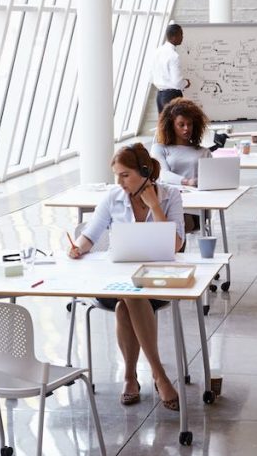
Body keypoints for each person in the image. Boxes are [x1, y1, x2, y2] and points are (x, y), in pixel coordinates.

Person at [67, 143, 184, 410]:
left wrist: (155, 205)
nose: (119, 182)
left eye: (125, 175)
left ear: (144, 172)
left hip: (155, 284)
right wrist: (78, 248)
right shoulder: (112, 198)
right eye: (117, 175)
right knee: (128, 296)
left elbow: (176, 245)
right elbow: (90, 236)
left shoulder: (170, 196)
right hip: (113, 283)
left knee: (126, 303)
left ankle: (131, 377)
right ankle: (159, 376)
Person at [150, 98, 211, 186]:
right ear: (171, 126)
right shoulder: (159, 148)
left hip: (199, 195)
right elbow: (163, 174)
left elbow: (210, 178)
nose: (186, 128)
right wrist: (187, 182)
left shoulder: (204, 152)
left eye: (189, 124)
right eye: (181, 125)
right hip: (170, 196)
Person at [151, 23, 188, 113]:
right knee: (175, 124)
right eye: (181, 34)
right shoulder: (174, 56)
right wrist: (186, 82)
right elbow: (178, 82)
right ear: (174, 37)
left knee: (164, 125)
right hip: (172, 96)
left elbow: (151, 76)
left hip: (160, 96)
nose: (182, 37)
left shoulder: (157, 52)